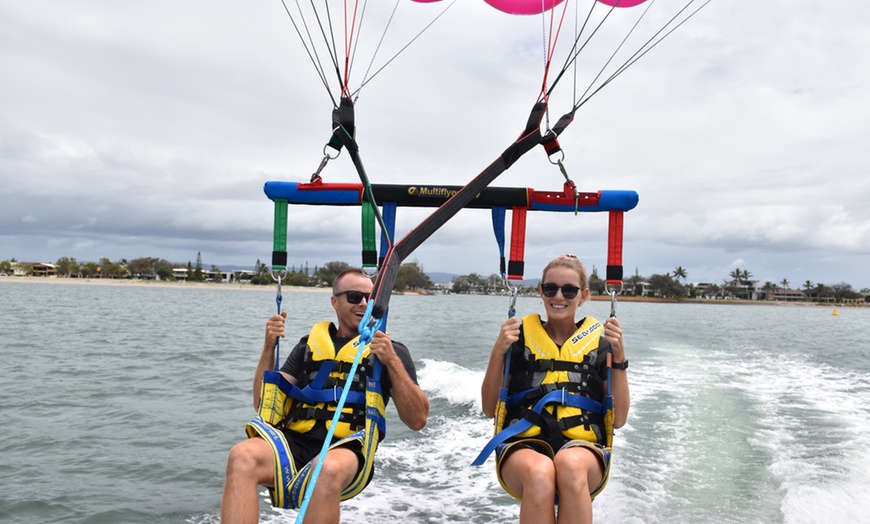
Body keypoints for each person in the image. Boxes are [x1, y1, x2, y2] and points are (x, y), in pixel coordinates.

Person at [222, 268, 429, 524]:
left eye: (369, 298)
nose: (363, 303)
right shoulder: (307, 346)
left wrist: (392, 362)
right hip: (294, 443)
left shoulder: (389, 350)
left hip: (349, 448)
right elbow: (262, 404)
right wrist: (268, 347)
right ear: (335, 301)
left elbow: (417, 419)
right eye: (354, 296)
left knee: (325, 468)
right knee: (241, 456)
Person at [480, 254, 630, 524]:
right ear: (541, 291)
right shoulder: (518, 340)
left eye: (569, 290)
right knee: (540, 471)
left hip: (584, 449)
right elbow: (490, 409)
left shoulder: (602, 345)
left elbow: (618, 420)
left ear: (583, 295)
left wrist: (618, 357)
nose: (558, 296)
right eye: (550, 288)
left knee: (569, 466)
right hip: (523, 446)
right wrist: (497, 351)